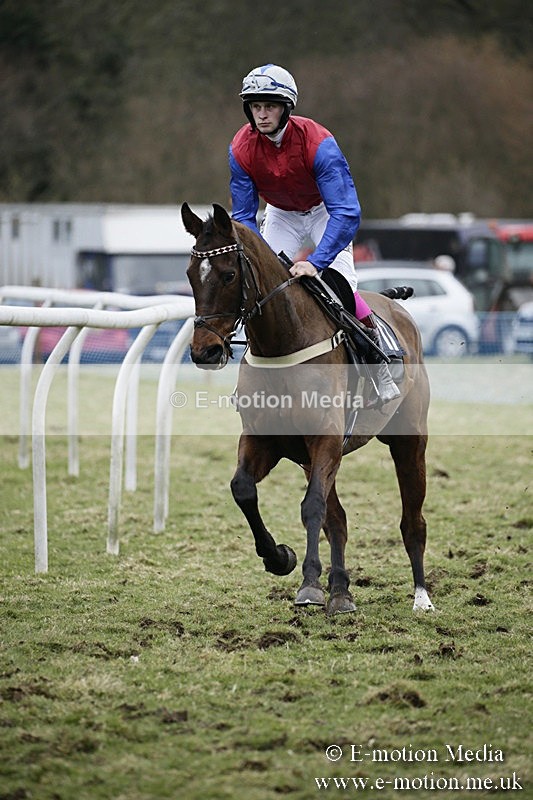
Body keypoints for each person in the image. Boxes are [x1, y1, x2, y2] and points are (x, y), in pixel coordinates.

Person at [229, 63, 400, 403]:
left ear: (286, 108)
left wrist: (317, 262)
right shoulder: (240, 148)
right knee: (258, 281)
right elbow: (244, 217)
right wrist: (260, 258)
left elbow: (347, 212)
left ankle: (378, 360)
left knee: (340, 284)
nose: (262, 115)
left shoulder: (318, 143)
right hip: (281, 213)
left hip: (326, 211)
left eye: (270, 106)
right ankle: (249, 373)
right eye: (256, 107)